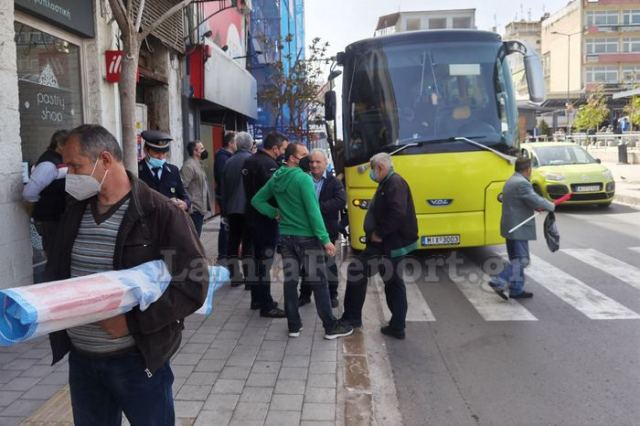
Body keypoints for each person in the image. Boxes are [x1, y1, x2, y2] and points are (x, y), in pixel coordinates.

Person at [46, 124, 208, 425]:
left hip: (137, 361)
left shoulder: (159, 212)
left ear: (105, 160)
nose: (70, 175)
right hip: (83, 360)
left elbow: (194, 283)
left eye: (76, 166)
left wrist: (132, 323)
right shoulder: (75, 211)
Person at [252, 143, 353, 340]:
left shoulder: (277, 177)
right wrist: (325, 240)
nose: (308, 159)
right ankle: (330, 327)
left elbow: (257, 200)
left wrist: (275, 213)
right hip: (307, 239)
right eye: (304, 155)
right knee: (320, 283)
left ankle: (293, 326)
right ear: (292, 158)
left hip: (286, 238)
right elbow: (313, 212)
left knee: (290, 283)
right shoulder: (303, 179)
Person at [340, 152, 418, 340]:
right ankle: (397, 326)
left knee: (357, 270)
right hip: (389, 244)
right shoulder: (389, 182)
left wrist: (379, 233)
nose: (372, 174)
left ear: (380, 168)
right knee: (393, 283)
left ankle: (352, 318)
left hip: (387, 244)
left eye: (373, 169)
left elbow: (397, 213)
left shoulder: (394, 183)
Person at [489, 156, 555, 300]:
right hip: (518, 227)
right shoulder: (522, 183)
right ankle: (499, 281)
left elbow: (522, 200)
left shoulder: (512, 180)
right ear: (528, 169)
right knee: (522, 260)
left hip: (510, 226)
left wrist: (535, 206)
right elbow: (534, 198)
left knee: (515, 259)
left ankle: (516, 289)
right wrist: (550, 205)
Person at [242, 132, 289, 317]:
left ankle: (257, 298)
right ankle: (266, 305)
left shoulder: (249, 161)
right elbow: (274, 194)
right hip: (264, 220)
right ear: (275, 147)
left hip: (250, 216)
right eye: (283, 149)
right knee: (264, 262)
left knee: (255, 260)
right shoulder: (269, 165)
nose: (283, 152)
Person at [299, 149, 346, 308]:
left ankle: (332, 295)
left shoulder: (334, 182)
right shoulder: (304, 179)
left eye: (318, 162)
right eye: (311, 162)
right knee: (307, 264)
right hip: (306, 229)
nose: (314, 165)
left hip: (327, 230)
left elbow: (340, 201)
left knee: (329, 264)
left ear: (326, 163)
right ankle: (304, 295)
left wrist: (315, 208)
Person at [23, 129, 70, 259]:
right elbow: (29, 193)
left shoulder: (60, 160)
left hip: (61, 218)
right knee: (55, 258)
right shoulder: (48, 164)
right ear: (60, 144)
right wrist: (34, 212)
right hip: (52, 219)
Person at [220, 133, 254, 288]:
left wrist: (224, 211)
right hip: (249, 209)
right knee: (248, 244)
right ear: (250, 144)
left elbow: (224, 188)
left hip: (232, 209)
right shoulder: (252, 160)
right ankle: (249, 279)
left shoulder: (229, 161)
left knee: (232, 242)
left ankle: (234, 276)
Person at [138, 130, 190, 212]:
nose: (161, 157)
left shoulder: (173, 170)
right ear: (146, 150)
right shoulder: (137, 171)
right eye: (156, 153)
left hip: (170, 221)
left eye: (164, 153)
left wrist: (185, 204)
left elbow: (184, 196)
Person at [214, 132, 236, 265]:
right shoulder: (223, 158)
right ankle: (222, 255)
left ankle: (225, 254)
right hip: (225, 197)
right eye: (236, 142)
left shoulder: (228, 157)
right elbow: (223, 179)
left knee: (228, 226)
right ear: (230, 143)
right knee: (225, 226)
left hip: (227, 196)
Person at [181, 140, 211, 237]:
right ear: (195, 151)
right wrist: (189, 204)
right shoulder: (189, 166)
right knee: (194, 239)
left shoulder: (198, 164)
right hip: (193, 210)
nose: (204, 150)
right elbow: (182, 187)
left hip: (199, 209)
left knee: (196, 238)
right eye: (201, 148)